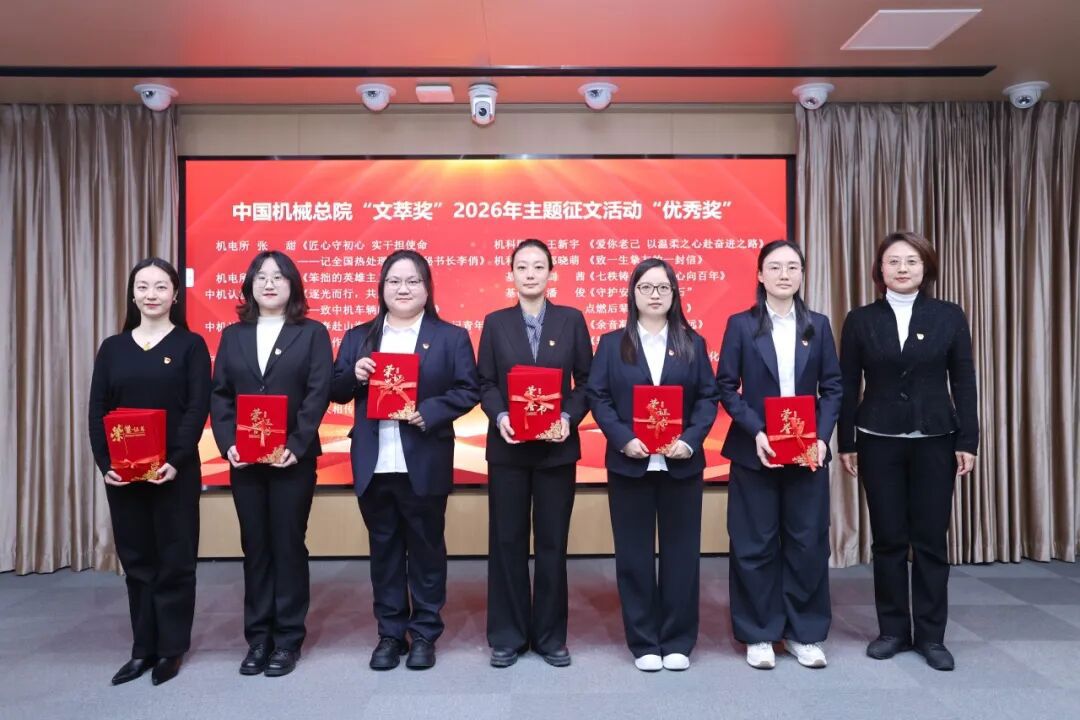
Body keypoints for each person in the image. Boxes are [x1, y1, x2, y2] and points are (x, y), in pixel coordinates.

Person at [330, 250, 479, 671]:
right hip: (374, 461)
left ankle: (425, 632)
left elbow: (468, 389)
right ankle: (390, 633)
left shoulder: (450, 337)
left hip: (424, 458)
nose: (403, 289)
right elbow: (334, 389)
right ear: (382, 287)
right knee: (384, 551)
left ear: (427, 288)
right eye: (394, 281)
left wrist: (429, 411)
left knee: (427, 549)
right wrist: (354, 375)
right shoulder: (359, 336)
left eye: (413, 281)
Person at [838, 231, 978, 672]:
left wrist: (968, 440)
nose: (902, 268)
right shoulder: (860, 319)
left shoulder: (948, 315)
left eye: (912, 261)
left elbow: (964, 380)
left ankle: (932, 636)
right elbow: (846, 384)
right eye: (894, 261)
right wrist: (846, 441)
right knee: (889, 539)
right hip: (877, 439)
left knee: (931, 540)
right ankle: (893, 631)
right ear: (879, 269)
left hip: (936, 439)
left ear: (926, 268)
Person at [587, 258, 719, 672]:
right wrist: (623, 438)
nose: (655, 295)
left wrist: (690, 440)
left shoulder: (693, 343)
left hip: (681, 465)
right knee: (634, 556)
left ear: (675, 294)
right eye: (646, 287)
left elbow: (708, 397)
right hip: (630, 464)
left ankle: (678, 640)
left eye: (663, 288)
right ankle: (644, 640)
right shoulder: (612, 343)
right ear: (633, 294)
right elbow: (598, 396)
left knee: (682, 555)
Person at [715, 240, 842, 670]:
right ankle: (759, 633)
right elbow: (726, 386)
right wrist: (756, 430)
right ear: (760, 275)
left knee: (807, 543)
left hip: (807, 453)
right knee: (755, 544)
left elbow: (833, 387)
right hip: (756, 451)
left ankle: (804, 633)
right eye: (775, 267)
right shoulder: (741, 325)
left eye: (792, 267)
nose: (784, 274)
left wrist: (822, 437)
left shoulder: (818, 325)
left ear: (802, 274)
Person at [88, 257, 211, 686]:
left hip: (175, 472)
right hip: (125, 476)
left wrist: (175, 460)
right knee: (138, 561)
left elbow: (197, 409)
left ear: (175, 295)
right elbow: (97, 410)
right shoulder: (113, 348)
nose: (151, 294)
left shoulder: (190, 345)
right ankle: (143, 648)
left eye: (161, 286)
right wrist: (107, 465)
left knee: (175, 560)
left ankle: (171, 649)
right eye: (143, 286)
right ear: (133, 294)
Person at [209, 250, 332, 677]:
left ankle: (288, 639)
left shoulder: (312, 333)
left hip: (292, 460)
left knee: (288, 544)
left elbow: (317, 392)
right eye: (261, 276)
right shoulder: (233, 335)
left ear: (292, 285)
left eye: (279, 276)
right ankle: (258, 638)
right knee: (255, 546)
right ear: (250, 286)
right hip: (245, 462)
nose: (269, 283)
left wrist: (296, 444)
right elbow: (220, 394)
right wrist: (228, 444)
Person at [476, 239, 592, 668]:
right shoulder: (495, 323)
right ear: (511, 274)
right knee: (506, 541)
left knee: (552, 543)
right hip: (508, 449)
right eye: (522, 267)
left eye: (538, 266)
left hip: (555, 451)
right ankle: (507, 636)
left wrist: (568, 417)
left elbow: (587, 382)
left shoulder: (571, 320)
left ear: (550, 273)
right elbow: (485, 382)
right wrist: (500, 415)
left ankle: (550, 636)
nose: (530, 274)